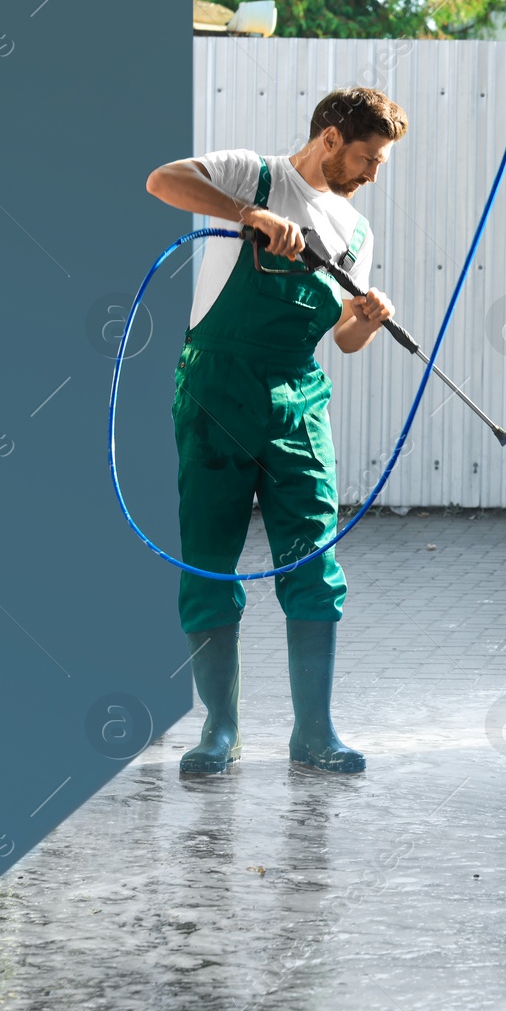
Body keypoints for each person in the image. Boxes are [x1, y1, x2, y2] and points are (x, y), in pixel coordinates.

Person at [144, 87, 408, 774]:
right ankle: (218, 731)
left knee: (313, 559)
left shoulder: (356, 231)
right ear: (329, 138)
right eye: (367, 156)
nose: (374, 171)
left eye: (380, 160)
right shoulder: (253, 174)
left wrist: (368, 319)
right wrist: (248, 213)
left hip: (298, 398)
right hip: (215, 388)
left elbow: (343, 340)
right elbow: (162, 180)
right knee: (208, 557)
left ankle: (314, 734)